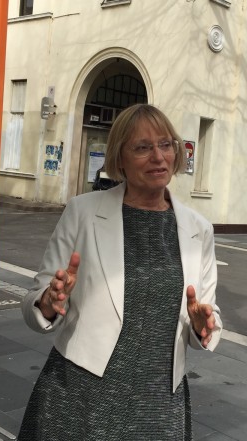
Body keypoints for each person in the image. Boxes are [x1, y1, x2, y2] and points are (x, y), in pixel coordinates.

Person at [18, 104, 222, 440]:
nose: (158, 156)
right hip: (78, 396)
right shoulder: (82, 212)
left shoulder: (199, 230)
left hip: (159, 403)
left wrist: (203, 326)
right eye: (143, 147)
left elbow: (207, 314)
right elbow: (34, 302)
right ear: (120, 158)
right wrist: (47, 302)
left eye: (166, 144)